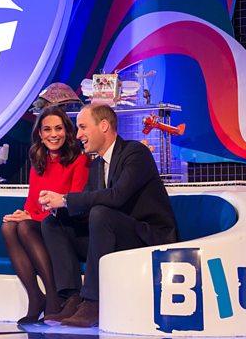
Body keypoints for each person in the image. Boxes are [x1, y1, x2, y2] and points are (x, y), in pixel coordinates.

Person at [38, 104, 177, 327]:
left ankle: (94, 302)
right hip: (111, 235)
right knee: (53, 224)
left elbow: (117, 196)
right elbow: (86, 210)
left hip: (148, 236)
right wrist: (59, 208)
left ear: (104, 126)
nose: (78, 135)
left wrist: (65, 199)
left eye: (82, 127)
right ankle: (73, 298)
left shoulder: (134, 153)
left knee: (101, 213)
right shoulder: (96, 166)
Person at [1, 105, 89, 324]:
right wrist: (23, 213)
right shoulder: (38, 159)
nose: (53, 135)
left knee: (23, 226)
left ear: (67, 132)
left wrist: (31, 218)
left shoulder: (80, 159)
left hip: (64, 227)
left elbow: (75, 204)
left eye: (58, 129)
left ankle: (52, 296)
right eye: (47, 129)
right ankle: (36, 297)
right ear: (40, 134)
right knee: (9, 226)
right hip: (42, 223)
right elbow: (32, 202)